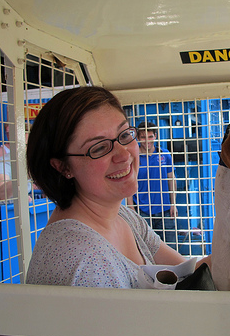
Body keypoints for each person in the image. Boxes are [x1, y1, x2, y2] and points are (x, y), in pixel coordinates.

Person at [25, 87, 208, 288]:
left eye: (124, 135)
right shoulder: (83, 257)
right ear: (63, 166)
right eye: (100, 148)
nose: (124, 154)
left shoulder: (123, 217)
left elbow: (191, 273)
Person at [127, 121, 178, 245]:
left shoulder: (164, 155)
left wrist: (173, 204)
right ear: (138, 138)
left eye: (150, 137)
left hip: (165, 210)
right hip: (142, 211)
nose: (147, 141)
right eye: (143, 137)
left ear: (155, 136)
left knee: (170, 247)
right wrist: (132, 210)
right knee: (145, 249)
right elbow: (128, 184)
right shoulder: (133, 158)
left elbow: (172, 180)